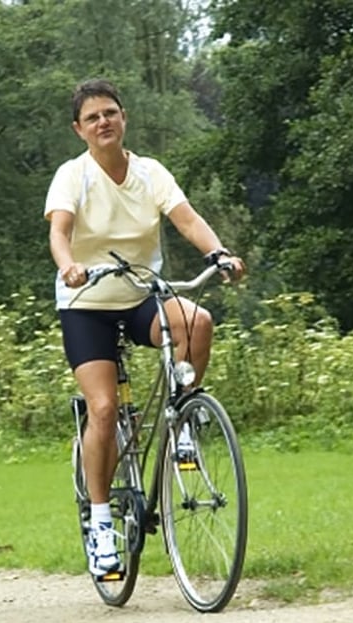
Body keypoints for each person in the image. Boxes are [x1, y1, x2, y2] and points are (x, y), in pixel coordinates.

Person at [44, 78, 245, 576]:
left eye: (110, 113)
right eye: (92, 118)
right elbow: (59, 231)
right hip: (86, 303)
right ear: (79, 129)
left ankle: (183, 421)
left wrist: (217, 253)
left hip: (140, 296)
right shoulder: (73, 175)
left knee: (196, 322)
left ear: (124, 117)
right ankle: (99, 523)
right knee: (105, 408)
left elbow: (188, 219)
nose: (103, 122)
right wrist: (68, 264)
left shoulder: (150, 172)